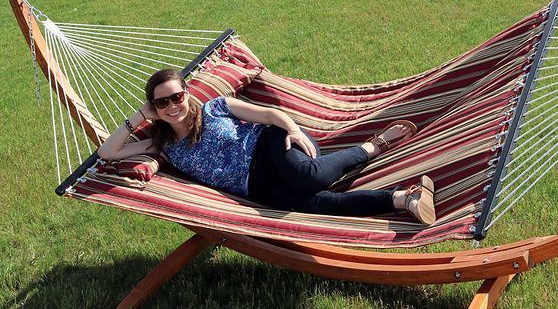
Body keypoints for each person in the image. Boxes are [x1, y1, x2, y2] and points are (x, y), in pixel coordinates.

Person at [97, 68, 435, 224]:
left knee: (309, 178)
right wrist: (138, 116)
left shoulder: (217, 106)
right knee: (313, 205)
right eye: (161, 103)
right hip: (254, 185)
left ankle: (371, 148)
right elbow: (108, 153)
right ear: (154, 108)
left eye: (177, 96)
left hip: (271, 144)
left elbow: (269, 114)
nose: (172, 105)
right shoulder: (160, 145)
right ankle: (403, 198)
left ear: (186, 94)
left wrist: (293, 130)